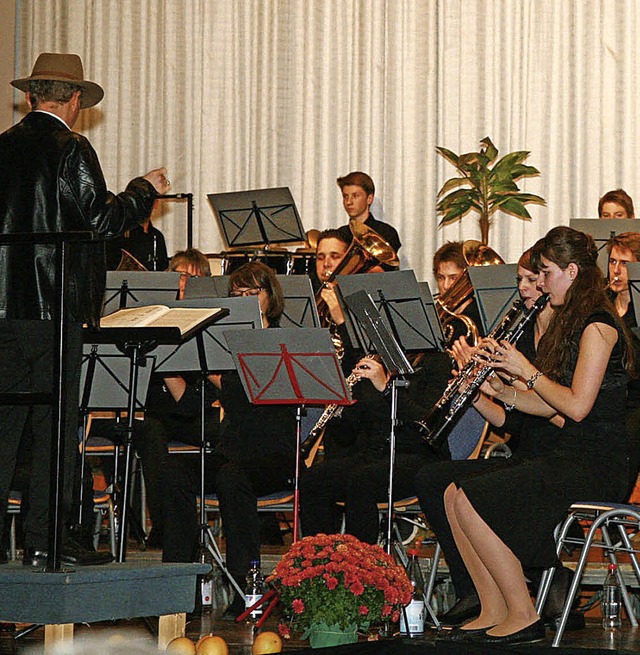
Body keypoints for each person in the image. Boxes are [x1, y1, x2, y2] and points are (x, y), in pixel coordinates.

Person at [0, 52, 169, 567]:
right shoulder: (72, 148)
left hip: (4, 309)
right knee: (55, 426)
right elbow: (99, 220)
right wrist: (142, 192)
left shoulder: (2, 148)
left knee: (4, 428)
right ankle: (46, 540)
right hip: (54, 311)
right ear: (73, 100)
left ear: (31, 96)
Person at [440, 226, 633, 645]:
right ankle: (493, 607)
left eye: (545, 272)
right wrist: (500, 392)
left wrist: (527, 370)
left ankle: (523, 613)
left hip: (598, 462)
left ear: (571, 271)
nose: (541, 283)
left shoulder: (599, 327)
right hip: (572, 453)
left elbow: (578, 406)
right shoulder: (573, 323)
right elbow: (548, 404)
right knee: (454, 493)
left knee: (477, 497)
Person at [415, 245, 557, 628]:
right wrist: (475, 388)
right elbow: (508, 422)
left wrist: (509, 378)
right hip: (525, 447)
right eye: (521, 281)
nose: (524, 290)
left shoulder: (560, 336)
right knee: (433, 478)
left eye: (531, 280)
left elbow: (556, 410)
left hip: (554, 451)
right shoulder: (525, 335)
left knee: (471, 491)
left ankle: (522, 592)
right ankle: (476, 591)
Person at [162, 262, 296, 619]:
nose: (247, 300)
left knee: (232, 477)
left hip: (276, 458)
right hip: (233, 454)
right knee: (174, 472)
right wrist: (168, 367)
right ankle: (178, 587)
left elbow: (256, 401)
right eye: (238, 295)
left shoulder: (283, 341)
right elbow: (193, 404)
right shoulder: (223, 345)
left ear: (271, 296)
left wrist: (220, 377)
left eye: (255, 292)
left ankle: (246, 585)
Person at [300, 349, 452, 542]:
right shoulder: (373, 360)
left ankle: (362, 565)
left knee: (363, 480)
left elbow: (427, 422)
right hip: (376, 454)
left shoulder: (436, 362)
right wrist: (340, 410)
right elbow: (347, 436)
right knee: (314, 479)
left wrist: (387, 389)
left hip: (421, 456)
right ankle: (322, 560)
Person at [336, 171, 401, 257]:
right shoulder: (339, 235)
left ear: (369, 199)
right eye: (345, 196)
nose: (348, 202)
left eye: (355, 196)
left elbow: (385, 268)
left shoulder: (386, 232)